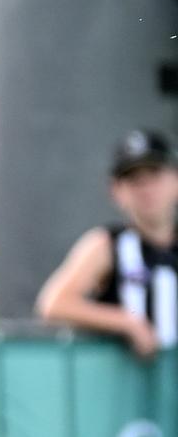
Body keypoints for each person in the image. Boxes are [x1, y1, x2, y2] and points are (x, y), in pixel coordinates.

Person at [37, 130, 178, 357]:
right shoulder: (106, 244)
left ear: (175, 179)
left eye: (154, 175)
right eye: (134, 180)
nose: (146, 189)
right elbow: (53, 303)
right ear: (116, 190)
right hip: (127, 385)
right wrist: (127, 322)